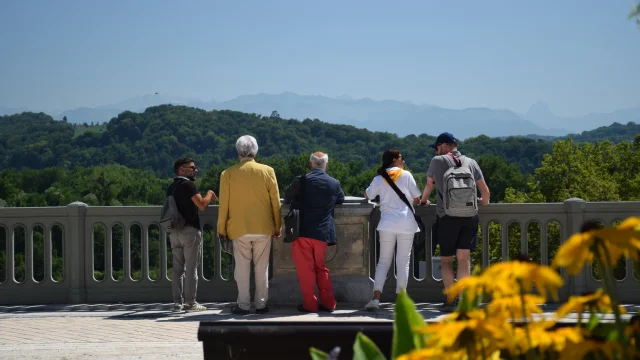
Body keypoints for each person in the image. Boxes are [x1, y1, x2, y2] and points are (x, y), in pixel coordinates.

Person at [420, 132, 490, 312]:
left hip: (447, 216)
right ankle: (464, 300)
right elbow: (486, 193)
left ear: (443, 146)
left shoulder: (437, 162)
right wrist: (482, 201)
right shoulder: (471, 162)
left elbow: (429, 185)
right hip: (469, 216)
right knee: (464, 260)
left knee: (446, 261)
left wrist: (422, 201)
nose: (435, 152)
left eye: (436, 148)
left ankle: (450, 301)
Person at [217, 135, 282, 315]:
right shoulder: (268, 171)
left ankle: (243, 305)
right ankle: (261, 305)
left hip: (238, 228)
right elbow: (275, 202)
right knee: (262, 268)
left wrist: (221, 229)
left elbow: (224, 206)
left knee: (242, 268)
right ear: (255, 151)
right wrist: (278, 226)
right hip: (264, 227)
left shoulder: (228, 174)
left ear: (238, 152)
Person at [284, 152, 345, 313]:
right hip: (323, 233)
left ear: (311, 164)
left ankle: (310, 304)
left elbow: (287, 196)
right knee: (321, 268)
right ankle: (329, 303)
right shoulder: (334, 183)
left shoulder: (302, 180)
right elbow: (341, 199)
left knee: (306, 270)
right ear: (326, 165)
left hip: (302, 231)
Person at [363, 149, 421, 310]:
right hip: (406, 223)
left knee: (383, 262)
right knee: (403, 262)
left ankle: (376, 298)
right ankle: (401, 300)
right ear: (395, 160)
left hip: (387, 223)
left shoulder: (379, 178)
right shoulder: (406, 175)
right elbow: (417, 197)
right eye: (402, 158)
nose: (404, 161)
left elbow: (368, 195)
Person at [167, 157, 217, 312]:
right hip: (189, 230)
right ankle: (191, 303)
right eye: (192, 167)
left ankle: (177, 303)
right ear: (182, 169)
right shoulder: (188, 185)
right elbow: (202, 205)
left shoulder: (171, 187)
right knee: (191, 268)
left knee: (177, 269)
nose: (196, 170)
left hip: (174, 231)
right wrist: (209, 193)